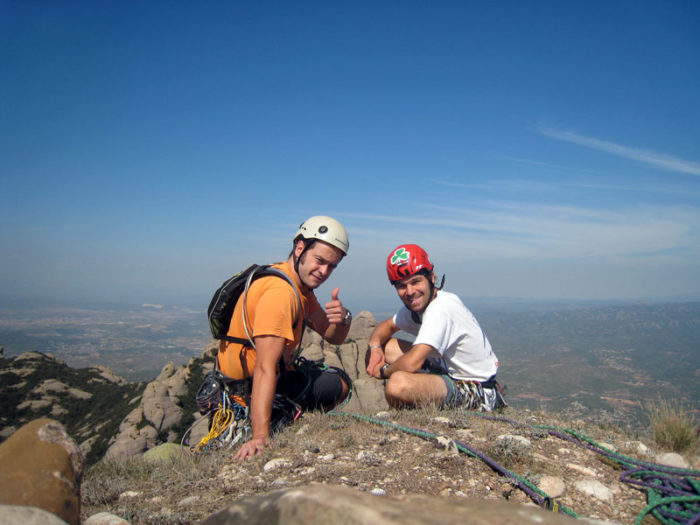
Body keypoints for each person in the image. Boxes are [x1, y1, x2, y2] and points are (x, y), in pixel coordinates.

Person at [218, 216, 353, 460]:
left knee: (338, 379)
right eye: (320, 261)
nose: (324, 272)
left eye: (332, 266)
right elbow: (264, 367)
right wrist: (260, 437)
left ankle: (285, 416)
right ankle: (271, 421)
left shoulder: (298, 286)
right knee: (338, 385)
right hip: (246, 390)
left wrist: (343, 318)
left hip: (245, 382)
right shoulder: (281, 293)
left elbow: (333, 337)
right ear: (300, 248)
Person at [366, 244, 505, 412]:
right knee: (384, 347)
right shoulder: (418, 307)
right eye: (402, 286)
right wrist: (375, 346)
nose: (410, 292)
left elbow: (411, 363)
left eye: (416, 282)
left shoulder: (441, 308)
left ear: (431, 278)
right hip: (446, 370)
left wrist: (384, 371)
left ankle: (415, 413)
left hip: (475, 387)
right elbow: (387, 326)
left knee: (397, 385)